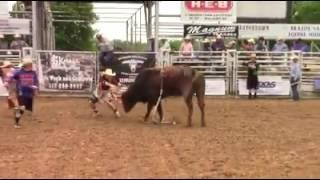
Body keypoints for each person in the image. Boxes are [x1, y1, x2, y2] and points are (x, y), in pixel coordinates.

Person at [11, 58, 39, 128]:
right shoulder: (19, 72)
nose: (31, 66)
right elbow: (11, 78)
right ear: (26, 65)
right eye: (30, 64)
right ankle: (16, 123)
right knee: (22, 107)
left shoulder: (33, 73)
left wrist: (35, 89)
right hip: (21, 92)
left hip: (29, 93)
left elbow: (35, 81)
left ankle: (17, 120)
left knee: (23, 110)